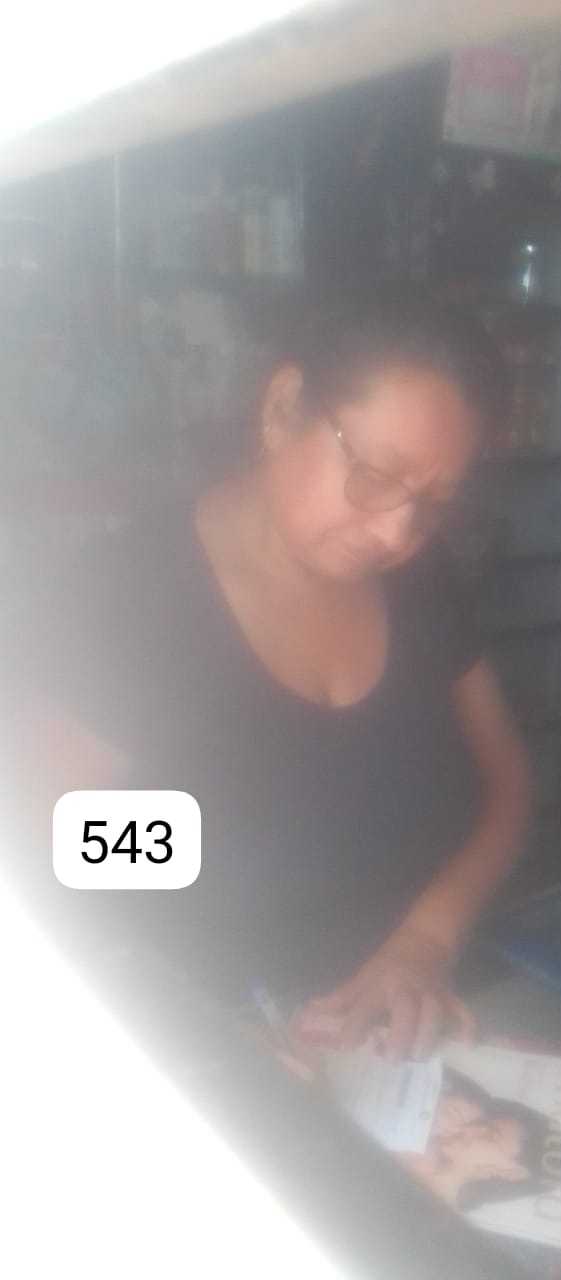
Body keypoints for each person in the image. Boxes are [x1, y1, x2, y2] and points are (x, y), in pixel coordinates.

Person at [8, 285, 531, 1060]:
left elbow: (507, 785)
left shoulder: (420, 585)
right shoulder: (123, 602)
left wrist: (425, 940)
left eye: (432, 503)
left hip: (407, 1040)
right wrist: (210, 1022)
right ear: (284, 407)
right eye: (377, 474)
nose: (397, 532)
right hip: (208, 1054)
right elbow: (43, 841)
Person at [402, 1067, 561, 1212]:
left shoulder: (438, 1218)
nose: (468, 1129)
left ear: (512, 1173)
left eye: (490, 1136)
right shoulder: (418, 1136)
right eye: (482, 1123)